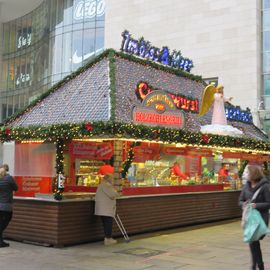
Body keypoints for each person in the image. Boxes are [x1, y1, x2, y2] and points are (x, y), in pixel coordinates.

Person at [239, 164, 270, 270]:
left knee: (253, 240)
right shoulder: (246, 186)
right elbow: (240, 200)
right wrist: (244, 204)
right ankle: (258, 265)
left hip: (260, 219)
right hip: (249, 219)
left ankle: (255, 265)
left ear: (254, 173)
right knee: (253, 241)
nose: (245, 174)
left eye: (247, 172)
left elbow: (268, 203)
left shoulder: (264, 186)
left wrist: (256, 205)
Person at [95, 173, 119, 245]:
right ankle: (108, 239)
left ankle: (107, 238)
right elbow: (112, 194)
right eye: (112, 179)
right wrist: (116, 192)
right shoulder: (106, 185)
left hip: (102, 208)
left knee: (105, 223)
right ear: (109, 179)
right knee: (108, 223)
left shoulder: (101, 185)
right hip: (106, 209)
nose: (113, 180)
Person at [0, 165, 18, 248]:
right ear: (6, 171)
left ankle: (1, 241)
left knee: (1, 222)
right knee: (5, 222)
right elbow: (16, 188)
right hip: (6, 205)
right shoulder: (9, 178)